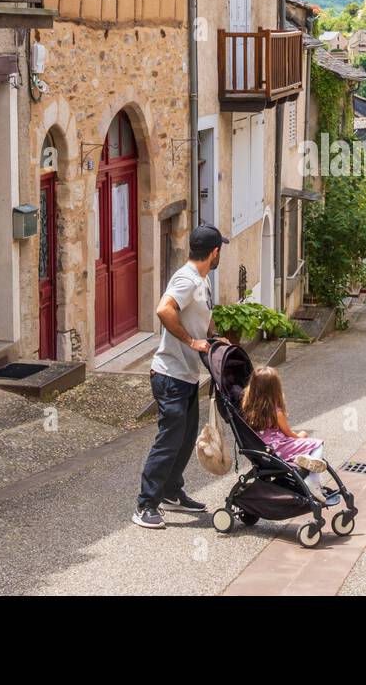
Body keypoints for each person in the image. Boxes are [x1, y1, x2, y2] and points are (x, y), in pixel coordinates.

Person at [133, 224, 228, 529]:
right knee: (169, 440)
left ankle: (172, 492)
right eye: (219, 250)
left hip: (186, 375)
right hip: (169, 374)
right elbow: (164, 310)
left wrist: (214, 338)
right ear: (214, 252)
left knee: (186, 439)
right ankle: (145, 504)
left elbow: (204, 316)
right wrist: (191, 342)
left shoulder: (203, 280)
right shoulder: (187, 279)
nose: (219, 254)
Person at [241, 366, 339, 506]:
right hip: (279, 448)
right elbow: (289, 434)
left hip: (263, 449)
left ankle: (306, 463)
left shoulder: (249, 409)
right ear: (275, 389)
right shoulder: (276, 412)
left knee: (306, 443)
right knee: (317, 443)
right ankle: (313, 480)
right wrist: (301, 435)